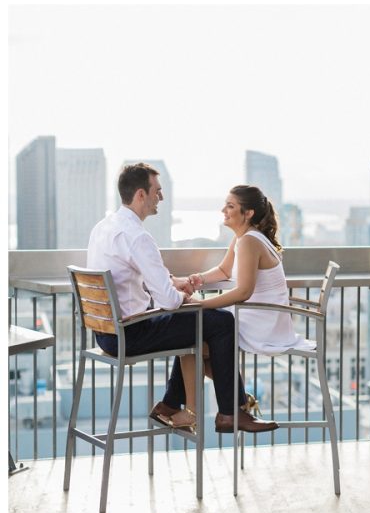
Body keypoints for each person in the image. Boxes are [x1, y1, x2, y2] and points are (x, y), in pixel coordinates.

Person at [87, 163, 278, 435]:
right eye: (158, 191)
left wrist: (176, 285)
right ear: (141, 194)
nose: (161, 197)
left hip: (105, 332)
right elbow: (169, 302)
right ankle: (231, 411)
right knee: (221, 322)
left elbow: (130, 277)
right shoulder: (138, 236)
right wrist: (184, 295)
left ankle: (171, 406)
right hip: (130, 334)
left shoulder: (104, 227)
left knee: (197, 326)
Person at [170, 185, 313, 423]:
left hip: (260, 321)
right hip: (258, 316)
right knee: (196, 342)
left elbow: (244, 291)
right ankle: (237, 402)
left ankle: (194, 411)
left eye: (231, 206)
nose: (223, 210)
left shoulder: (249, 241)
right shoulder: (244, 238)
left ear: (248, 213)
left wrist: (202, 304)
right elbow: (226, 269)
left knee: (190, 340)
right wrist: (199, 279)